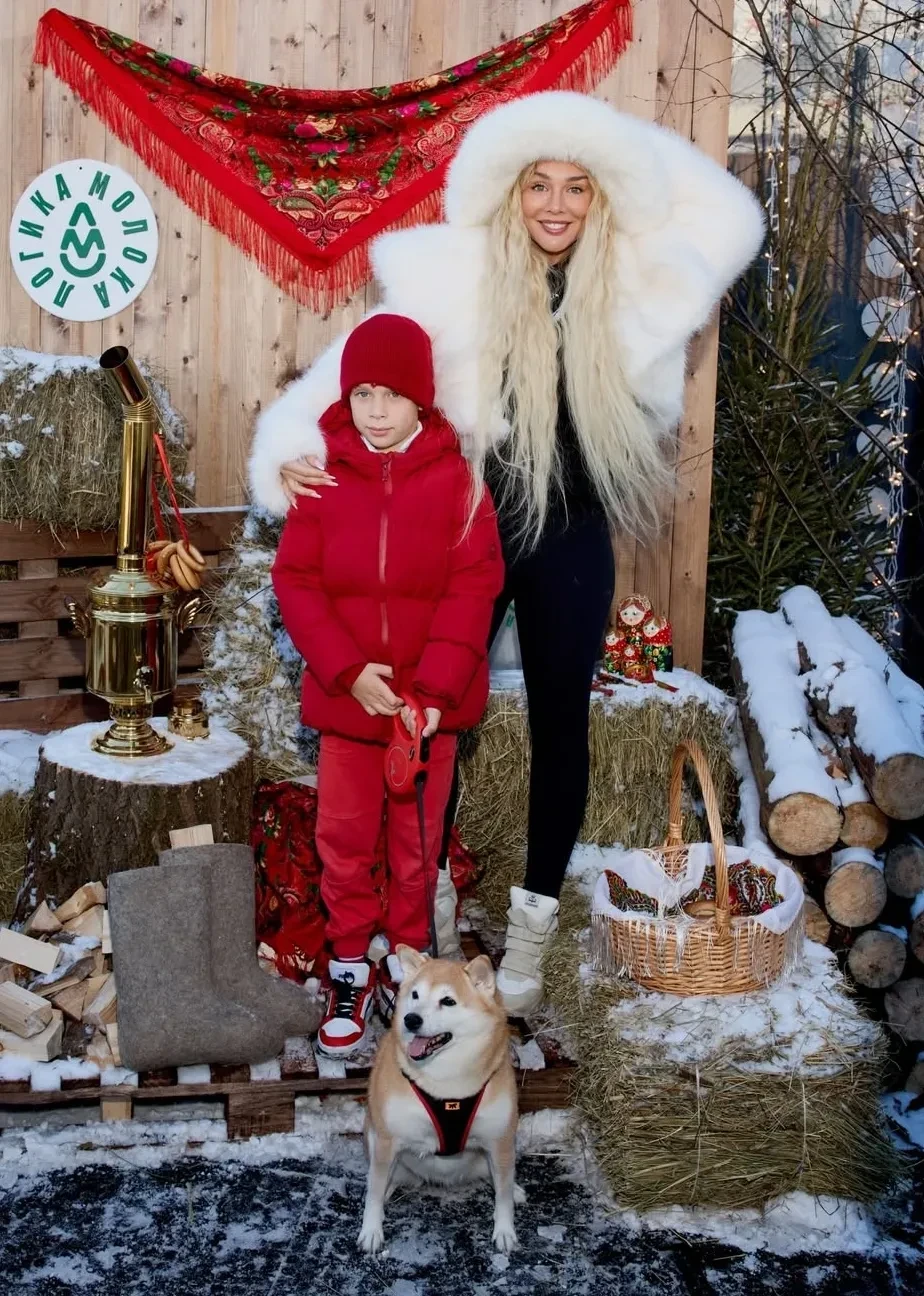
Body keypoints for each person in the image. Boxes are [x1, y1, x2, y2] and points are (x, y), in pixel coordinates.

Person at [251, 91, 765, 1015]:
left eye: (577, 185)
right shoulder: (455, 275)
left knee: (563, 722)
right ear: (508, 190)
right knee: (431, 712)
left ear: (603, 195)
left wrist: (604, 142)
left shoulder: (638, 279)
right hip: (464, 529)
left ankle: (529, 931)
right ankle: (433, 911)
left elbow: (732, 216)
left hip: (571, 530)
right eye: (537, 182)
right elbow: (359, 368)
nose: (556, 204)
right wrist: (289, 448)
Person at [271, 313, 503, 1056]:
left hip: (425, 714)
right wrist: (347, 671)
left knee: (415, 850)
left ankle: (407, 968)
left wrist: (431, 694)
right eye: (362, 394)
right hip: (349, 702)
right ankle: (347, 966)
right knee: (341, 839)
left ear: (421, 399)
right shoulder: (322, 476)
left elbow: (474, 587)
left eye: (392, 395)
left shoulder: (460, 482)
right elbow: (296, 579)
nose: (375, 411)